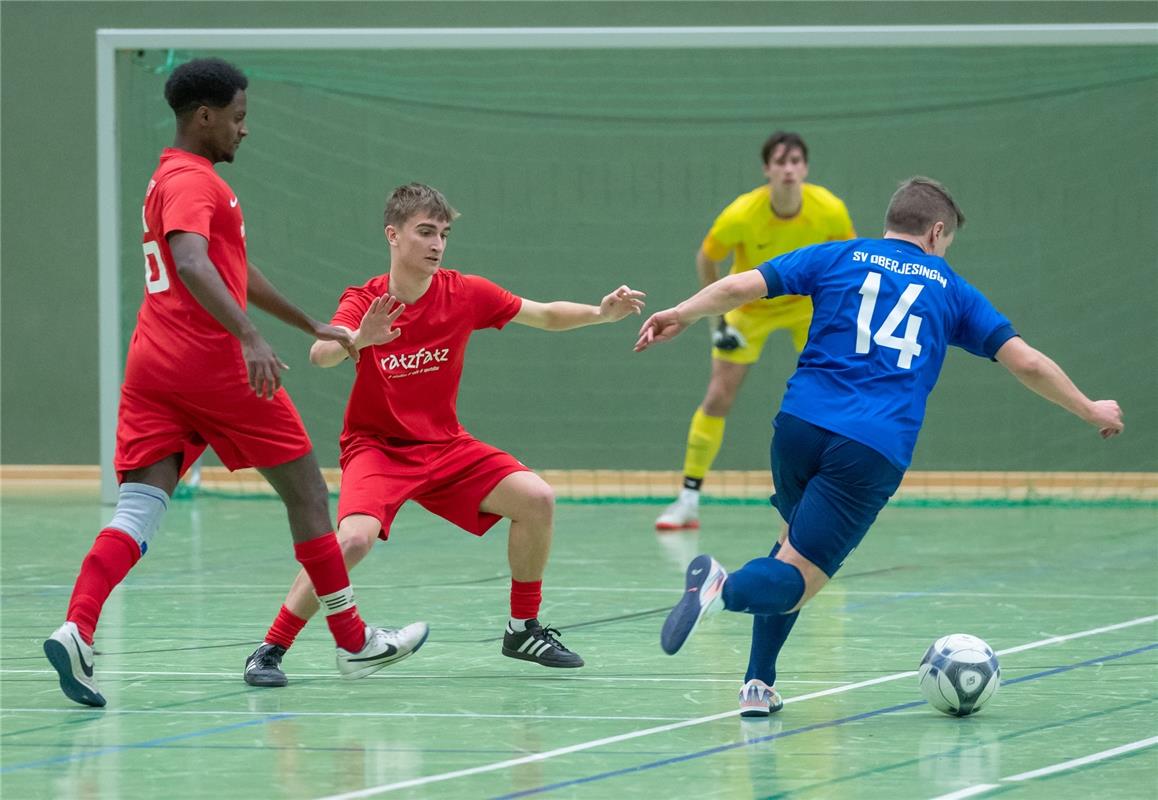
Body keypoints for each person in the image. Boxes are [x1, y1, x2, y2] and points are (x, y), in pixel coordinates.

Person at [635, 177, 1124, 716]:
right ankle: (721, 589)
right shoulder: (951, 289)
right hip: (869, 447)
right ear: (937, 232)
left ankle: (758, 683)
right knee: (796, 580)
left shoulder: (838, 255)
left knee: (788, 543)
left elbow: (738, 287)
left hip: (798, 424)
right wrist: (1090, 408)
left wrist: (680, 313)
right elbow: (1026, 362)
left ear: (891, 220)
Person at [42, 58, 426, 709]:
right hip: (212, 365)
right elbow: (193, 262)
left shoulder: (167, 177)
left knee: (140, 507)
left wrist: (312, 323)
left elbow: (229, 271)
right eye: (239, 118)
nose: (244, 131)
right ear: (205, 117)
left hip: (153, 366)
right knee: (307, 491)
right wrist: (250, 338)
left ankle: (77, 627)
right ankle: (354, 641)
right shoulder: (195, 182)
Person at [242, 182, 647, 686]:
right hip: (378, 448)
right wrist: (357, 340)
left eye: (444, 234)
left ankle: (522, 629)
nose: (437, 244)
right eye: (425, 232)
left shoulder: (465, 293)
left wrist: (599, 313)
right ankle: (270, 648)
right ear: (393, 235)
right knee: (351, 543)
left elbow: (541, 313)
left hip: (446, 446)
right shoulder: (364, 300)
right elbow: (318, 355)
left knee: (537, 498)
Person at [656, 131, 856, 532]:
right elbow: (707, 258)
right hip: (749, 307)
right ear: (767, 169)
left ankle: (832, 496)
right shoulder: (741, 214)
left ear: (805, 168)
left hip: (806, 308)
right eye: (780, 161)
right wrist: (718, 322)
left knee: (833, 393)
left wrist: (839, 315)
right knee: (718, 396)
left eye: (796, 161)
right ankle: (688, 500)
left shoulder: (830, 209)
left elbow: (849, 261)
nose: (788, 168)